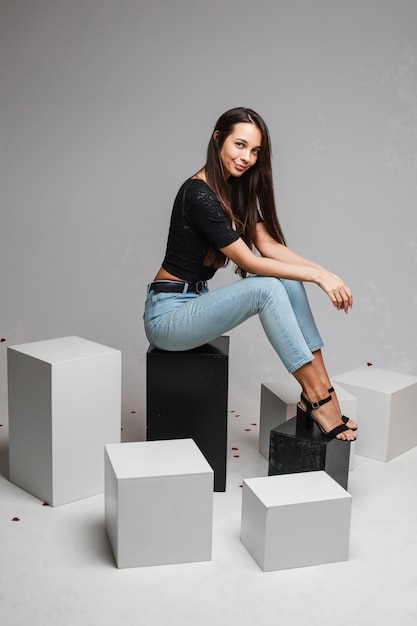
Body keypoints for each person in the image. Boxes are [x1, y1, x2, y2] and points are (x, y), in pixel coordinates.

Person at [144, 107, 357, 441]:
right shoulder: (198, 193)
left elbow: (267, 245)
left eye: (255, 151)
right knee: (267, 288)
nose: (247, 157)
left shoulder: (235, 190)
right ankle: (317, 397)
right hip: (168, 317)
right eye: (240, 145)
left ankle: (322, 390)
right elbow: (252, 261)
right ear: (218, 139)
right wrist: (318, 279)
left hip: (194, 303)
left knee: (286, 278)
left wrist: (324, 272)